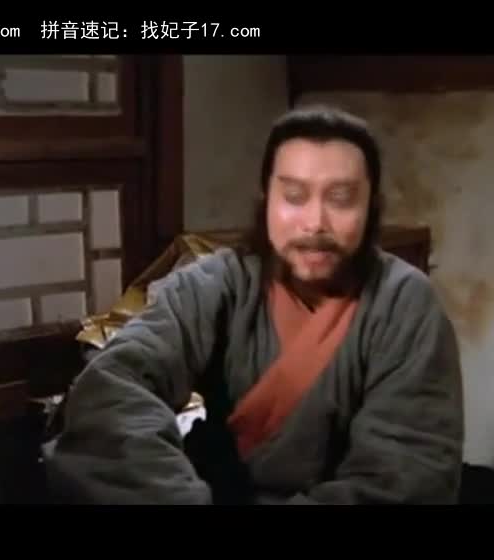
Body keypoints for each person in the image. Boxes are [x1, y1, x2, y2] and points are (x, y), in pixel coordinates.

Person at [46, 105, 465, 504]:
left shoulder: (404, 302)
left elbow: (407, 472)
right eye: (294, 196)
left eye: (341, 198)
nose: (315, 222)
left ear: (371, 207)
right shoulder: (217, 284)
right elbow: (112, 387)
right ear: (267, 201)